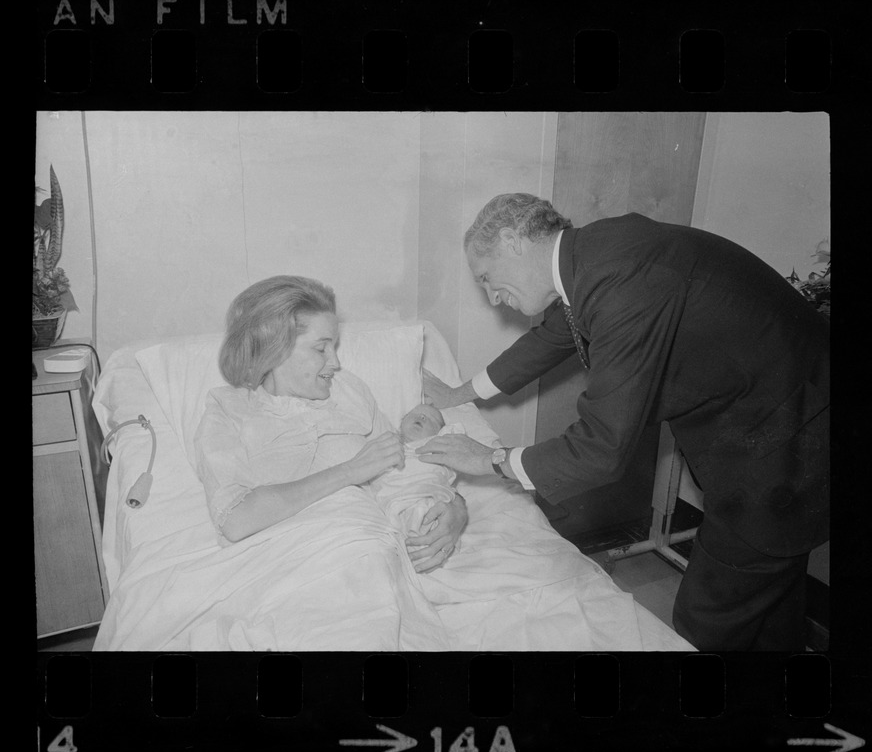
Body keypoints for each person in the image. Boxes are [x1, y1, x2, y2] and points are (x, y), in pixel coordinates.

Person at [416, 192, 830, 651]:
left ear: (513, 241)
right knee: (772, 603)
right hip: (786, 427)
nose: (493, 298)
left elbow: (600, 449)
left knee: (710, 616)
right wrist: (458, 393)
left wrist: (493, 460)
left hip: (789, 449)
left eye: (488, 279)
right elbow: (549, 341)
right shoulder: (593, 257)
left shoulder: (621, 279)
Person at [193, 275, 467, 575]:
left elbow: (406, 469)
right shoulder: (227, 412)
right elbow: (236, 519)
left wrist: (455, 510)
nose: (335, 362)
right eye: (321, 348)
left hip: (367, 556)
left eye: (334, 347)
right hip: (285, 568)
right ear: (274, 348)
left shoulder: (348, 390)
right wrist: (350, 471)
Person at [369, 403, 464, 543]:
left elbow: (457, 435)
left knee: (425, 512)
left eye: (431, 419)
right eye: (416, 415)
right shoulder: (388, 441)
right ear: (400, 425)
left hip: (425, 495)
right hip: (391, 495)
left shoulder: (437, 449)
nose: (422, 418)